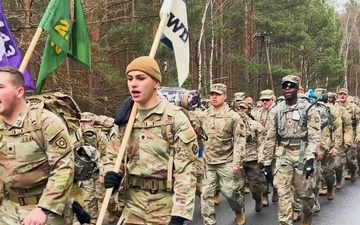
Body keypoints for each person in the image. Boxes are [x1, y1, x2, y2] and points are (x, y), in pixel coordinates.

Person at [105, 56, 198, 225]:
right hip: (132, 206)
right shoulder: (124, 119)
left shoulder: (174, 118)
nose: (134, 84)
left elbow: (186, 172)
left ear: (156, 83)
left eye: (141, 78)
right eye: (130, 78)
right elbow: (112, 157)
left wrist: (179, 215)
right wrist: (110, 174)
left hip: (165, 207)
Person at [0, 66, 74, 224]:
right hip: (8, 209)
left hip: (43, 210)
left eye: (0, 87)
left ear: (19, 92)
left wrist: (44, 209)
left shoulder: (45, 122)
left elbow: (64, 168)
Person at [261, 75, 321, 225]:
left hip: (302, 152)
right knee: (283, 192)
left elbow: (314, 137)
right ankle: (284, 222)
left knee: (305, 194)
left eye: (291, 85)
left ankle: (308, 214)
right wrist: (267, 162)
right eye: (285, 85)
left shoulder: (308, 109)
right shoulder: (276, 110)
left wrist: (310, 158)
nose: (287, 88)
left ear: (297, 88)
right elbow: (270, 138)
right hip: (283, 154)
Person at [197, 83, 247, 225]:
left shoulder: (233, 117)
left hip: (226, 161)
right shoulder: (203, 115)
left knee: (231, 193)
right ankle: (209, 222)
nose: (214, 97)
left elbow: (239, 140)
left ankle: (238, 210)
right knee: (206, 195)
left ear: (225, 96)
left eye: (218, 94)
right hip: (208, 162)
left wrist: (237, 162)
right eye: (212, 94)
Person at [237, 98, 267, 213]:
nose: (241, 110)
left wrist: (261, 158)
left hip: (252, 159)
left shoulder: (256, 125)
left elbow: (261, 143)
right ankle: (240, 211)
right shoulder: (234, 124)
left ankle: (258, 199)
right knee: (237, 188)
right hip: (238, 160)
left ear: (249, 110)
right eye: (239, 108)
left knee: (255, 187)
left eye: (243, 108)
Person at [251, 89, 277, 205]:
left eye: (267, 100)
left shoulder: (278, 111)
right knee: (262, 171)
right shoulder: (256, 112)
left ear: (273, 99)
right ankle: (265, 194)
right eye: (263, 100)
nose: (265, 102)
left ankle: (276, 189)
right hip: (261, 146)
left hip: (275, 146)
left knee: (274, 170)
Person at [336, 88, 360, 182]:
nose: (342, 96)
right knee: (338, 158)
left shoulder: (354, 108)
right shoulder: (335, 108)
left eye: (344, 94)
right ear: (338, 96)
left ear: (347, 96)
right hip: (338, 136)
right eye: (340, 94)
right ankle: (338, 179)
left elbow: (358, 123)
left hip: (351, 135)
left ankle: (353, 171)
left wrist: (358, 135)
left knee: (350, 157)